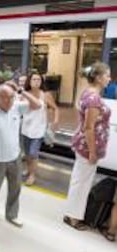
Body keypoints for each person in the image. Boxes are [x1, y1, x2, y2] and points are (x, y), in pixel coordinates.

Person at [0, 82, 42, 227]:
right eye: (5, 98)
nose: (9, 101)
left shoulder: (17, 107)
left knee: (15, 188)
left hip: (14, 158)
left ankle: (12, 215)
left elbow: (37, 105)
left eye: (12, 97)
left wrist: (21, 91)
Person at [63, 62, 111, 231]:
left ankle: (73, 213)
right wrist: (92, 151)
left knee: (80, 181)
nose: (109, 78)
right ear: (98, 78)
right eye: (107, 75)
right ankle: (73, 217)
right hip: (88, 147)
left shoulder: (87, 93)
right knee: (81, 183)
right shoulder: (93, 98)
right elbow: (88, 127)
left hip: (85, 145)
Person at [21, 72, 59, 186]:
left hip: (39, 129)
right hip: (26, 128)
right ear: (29, 81)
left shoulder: (45, 95)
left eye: (39, 80)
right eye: (34, 79)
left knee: (33, 153)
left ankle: (32, 175)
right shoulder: (25, 94)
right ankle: (29, 169)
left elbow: (55, 108)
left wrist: (55, 122)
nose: (36, 82)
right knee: (27, 153)